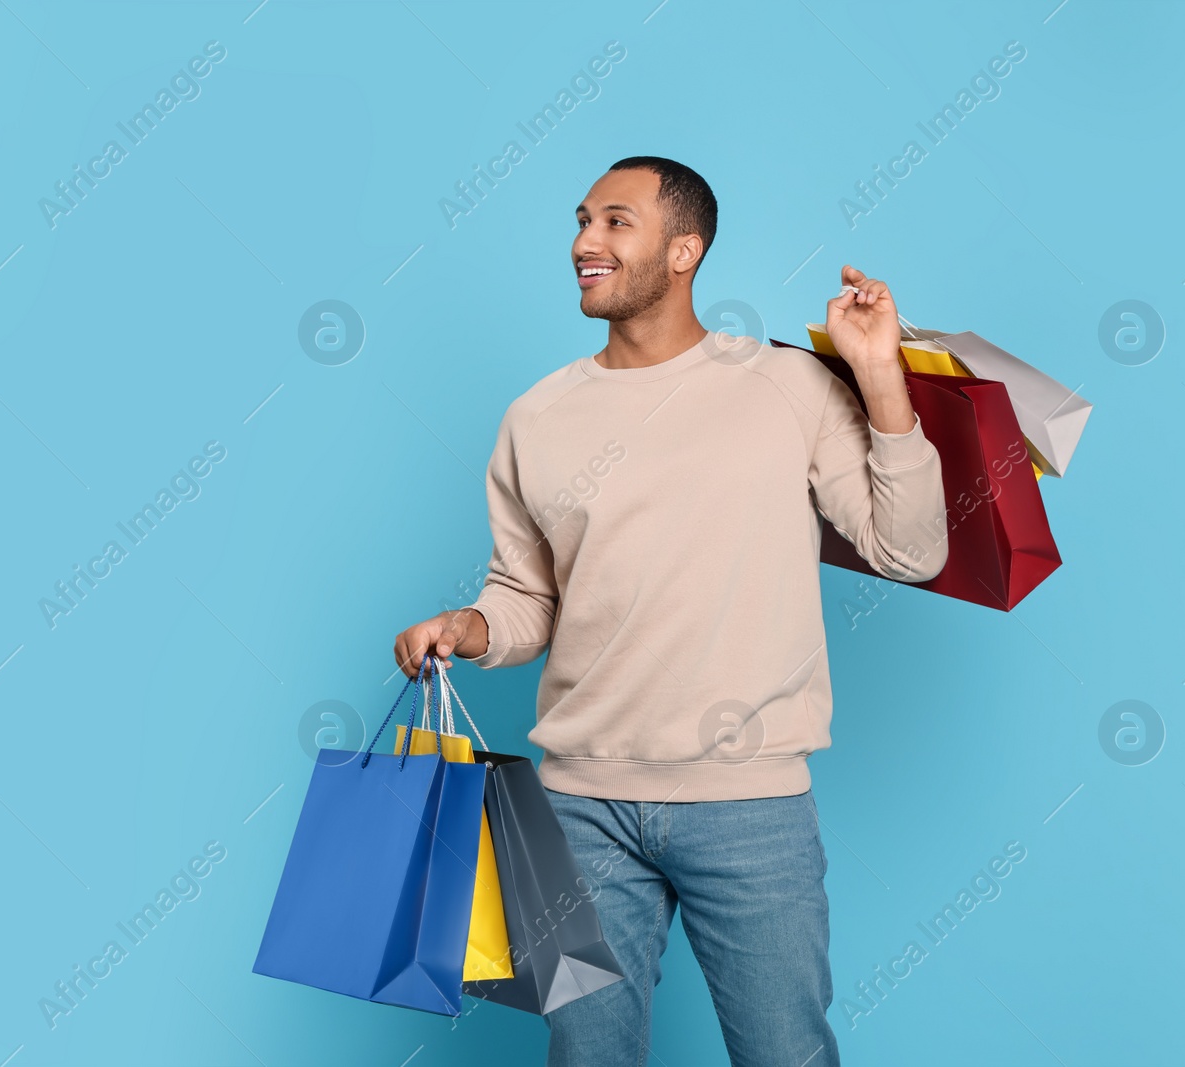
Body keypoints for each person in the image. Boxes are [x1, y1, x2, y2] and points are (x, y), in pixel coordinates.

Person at [393, 156, 948, 1067]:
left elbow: (910, 547)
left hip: (749, 806)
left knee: (786, 1055)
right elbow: (526, 599)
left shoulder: (784, 386)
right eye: (581, 221)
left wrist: (880, 373)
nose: (584, 242)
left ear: (685, 250)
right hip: (579, 808)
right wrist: (468, 628)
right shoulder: (536, 416)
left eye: (616, 222)